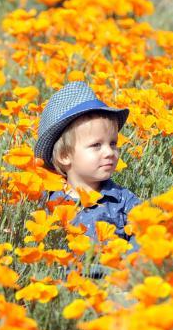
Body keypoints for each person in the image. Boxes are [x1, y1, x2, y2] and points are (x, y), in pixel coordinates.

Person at [34, 81, 141, 250]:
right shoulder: (47, 201)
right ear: (64, 156)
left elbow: (142, 245)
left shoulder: (124, 201)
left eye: (112, 143)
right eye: (96, 145)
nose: (109, 152)